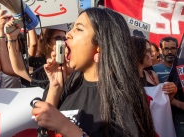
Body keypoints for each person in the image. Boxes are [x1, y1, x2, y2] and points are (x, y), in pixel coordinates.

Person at [30, 8, 156, 137]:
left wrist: (65, 127)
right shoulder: (72, 82)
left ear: (100, 44)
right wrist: (56, 86)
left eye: (79, 29)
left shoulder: (123, 97)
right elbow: (44, 128)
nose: (68, 34)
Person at [131, 36, 177, 101]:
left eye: (173, 48)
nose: (152, 54)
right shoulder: (125, 78)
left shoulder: (152, 75)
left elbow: (161, 102)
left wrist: (173, 91)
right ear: (138, 52)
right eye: (149, 51)